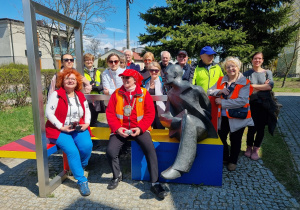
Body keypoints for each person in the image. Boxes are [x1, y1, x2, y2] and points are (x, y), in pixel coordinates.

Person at [105, 69, 168, 200]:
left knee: (150, 150)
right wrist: (117, 128)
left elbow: (150, 114)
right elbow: (110, 114)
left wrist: (140, 128)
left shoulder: (144, 93)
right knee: (111, 151)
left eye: (128, 78)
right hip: (120, 129)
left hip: (139, 129)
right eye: (123, 78)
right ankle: (117, 176)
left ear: (135, 80)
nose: (125, 80)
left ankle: (155, 183)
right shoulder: (116, 93)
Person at [159, 65, 218, 180]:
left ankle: (180, 168)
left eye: (166, 74)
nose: (163, 77)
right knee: (187, 119)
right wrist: (178, 120)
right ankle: (189, 152)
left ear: (175, 75)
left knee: (189, 119)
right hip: (181, 128)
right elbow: (167, 115)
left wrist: (188, 119)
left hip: (200, 128)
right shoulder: (171, 94)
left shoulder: (196, 90)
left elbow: (207, 111)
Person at [45, 68, 93, 196]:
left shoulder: (80, 95)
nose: (70, 81)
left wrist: (87, 123)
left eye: (73, 79)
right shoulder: (56, 94)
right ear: (62, 81)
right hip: (59, 129)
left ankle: (79, 166)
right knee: (72, 151)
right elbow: (48, 113)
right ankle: (82, 180)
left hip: (77, 127)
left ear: (77, 81)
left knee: (87, 146)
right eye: (67, 78)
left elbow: (87, 111)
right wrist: (61, 127)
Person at [208, 57, 254, 171]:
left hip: (238, 117)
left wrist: (223, 102)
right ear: (225, 69)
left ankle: (233, 161)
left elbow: (242, 101)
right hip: (222, 117)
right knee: (221, 137)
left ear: (238, 68)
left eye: (233, 66)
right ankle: (224, 157)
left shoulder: (245, 82)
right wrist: (219, 91)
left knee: (235, 140)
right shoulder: (220, 80)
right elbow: (209, 91)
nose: (231, 69)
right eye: (228, 67)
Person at [243, 52, 275, 160]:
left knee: (261, 128)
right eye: (255, 58)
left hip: (264, 105)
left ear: (262, 60)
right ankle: (248, 148)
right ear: (252, 60)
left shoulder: (268, 72)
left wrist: (252, 86)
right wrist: (262, 86)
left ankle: (256, 149)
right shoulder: (247, 73)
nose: (257, 60)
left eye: (260, 59)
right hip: (251, 105)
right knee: (251, 128)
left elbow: (269, 87)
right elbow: (244, 88)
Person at [83, 53, 105, 127]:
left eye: (90, 60)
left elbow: (102, 85)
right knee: (86, 118)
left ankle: (93, 135)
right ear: (84, 61)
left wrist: (93, 87)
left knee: (94, 120)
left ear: (93, 61)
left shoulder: (98, 72)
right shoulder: (81, 72)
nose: (89, 62)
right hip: (86, 98)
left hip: (96, 98)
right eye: (87, 60)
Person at [143, 61, 166, 129]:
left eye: (156, 70)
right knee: (147, 130)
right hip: (147, 111)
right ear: (149, 71)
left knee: (159, 130)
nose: (153, 72)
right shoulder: (145, 82)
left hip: (160, 111)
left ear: (159, 71)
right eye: (151, 70)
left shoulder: (164, 82)